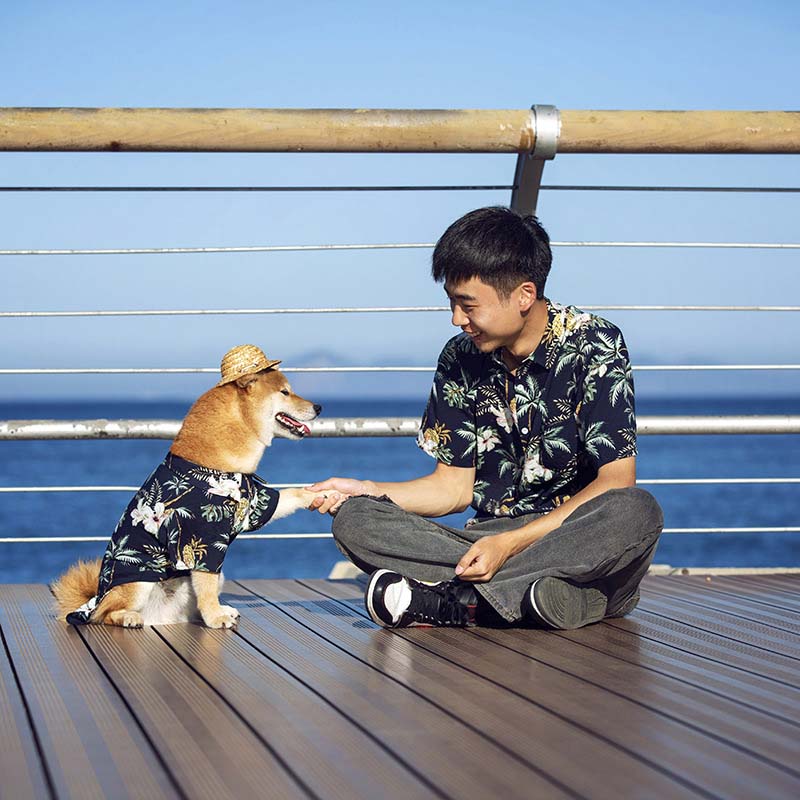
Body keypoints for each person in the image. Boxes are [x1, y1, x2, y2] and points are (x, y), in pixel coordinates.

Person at [310, 206, 663, 630]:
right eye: (452, 303)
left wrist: (511, 545)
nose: (457, 319)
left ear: (524, 296)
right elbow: (452, 488)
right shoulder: (459, 358)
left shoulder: (595, 344)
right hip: (483, 540)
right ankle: (544, 599)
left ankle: (458, 600)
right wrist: (367, 490)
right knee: (356, 519)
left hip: (572, 537)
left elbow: (616, 482)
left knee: (636, 511)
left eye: (468, 305)